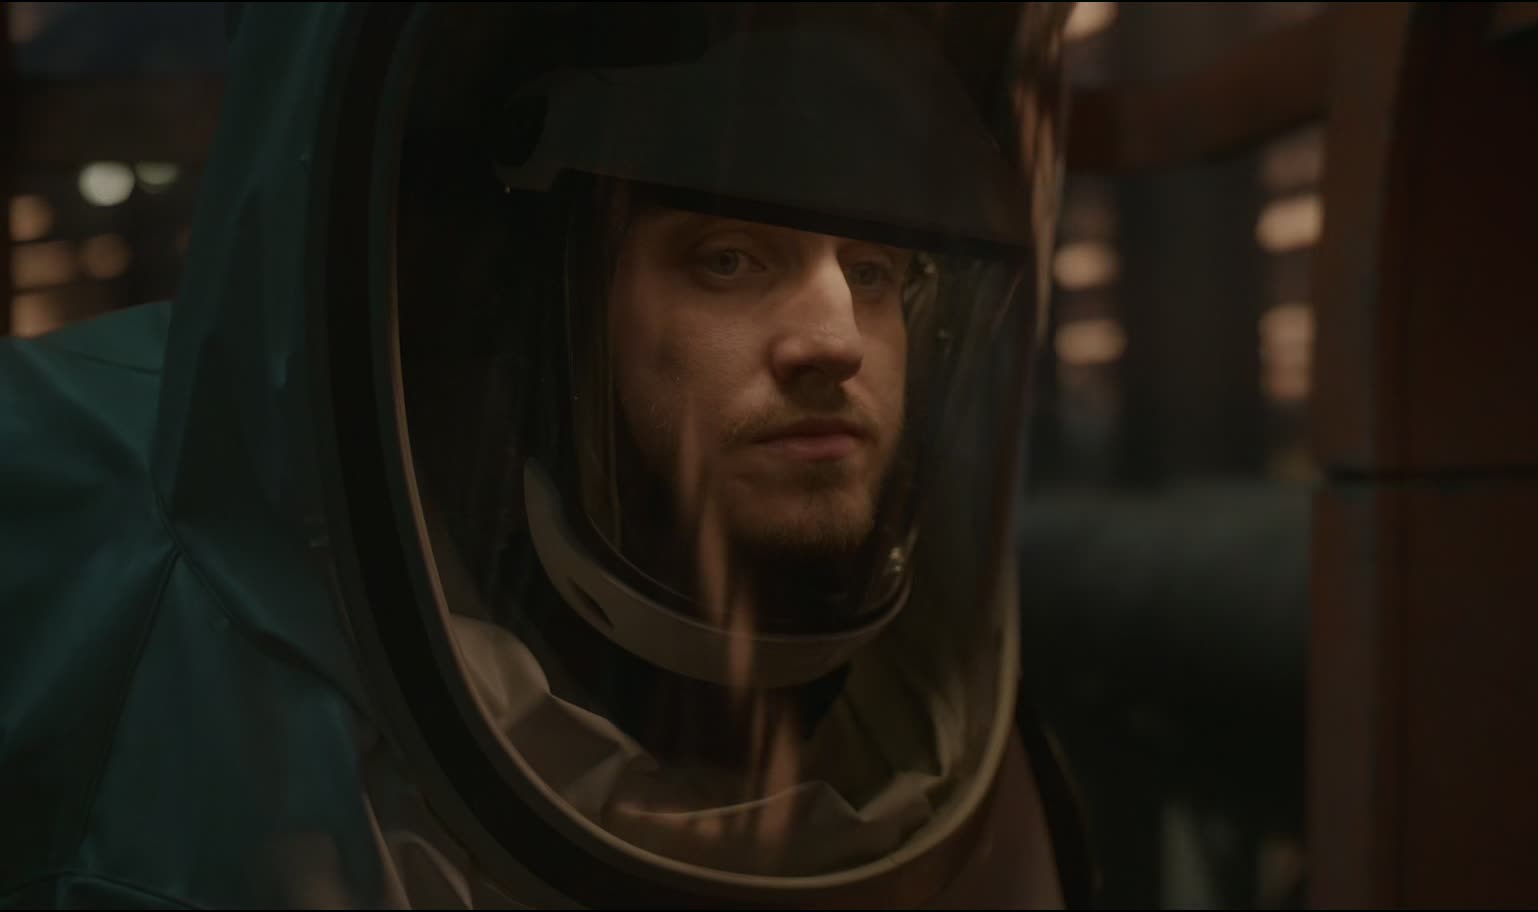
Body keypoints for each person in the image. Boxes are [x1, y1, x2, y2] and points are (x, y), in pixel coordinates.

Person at [0, 3, 1088, 908]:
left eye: (876, 274)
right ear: (553, 315)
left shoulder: (950, 744)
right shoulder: (188, 627)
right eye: (728, 259)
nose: (837, 338)